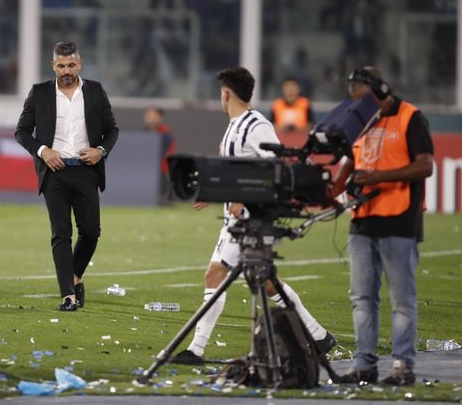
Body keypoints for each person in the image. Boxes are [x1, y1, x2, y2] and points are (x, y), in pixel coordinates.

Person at [171, 67, 336, 365]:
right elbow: (236, 169)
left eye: (221, 93)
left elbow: (276, 168)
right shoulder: (236, 124)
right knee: (267, 283)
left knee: (218, 274)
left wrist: (243, 197)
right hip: (236, 219)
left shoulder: (255, 125)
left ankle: (196, 350)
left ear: (226, 93)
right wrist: (213, 192)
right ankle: (318, 334)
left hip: (250, 218)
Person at [332, 67, 434, 386]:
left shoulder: (410, 117)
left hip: (399, 219)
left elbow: (425, 165)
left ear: (382, 92)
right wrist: (329, 190)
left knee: (401, 299)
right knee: (362, 298)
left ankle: (403, 365)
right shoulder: (359, 122)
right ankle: (364, 365)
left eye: (363, 100)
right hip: (362, 221)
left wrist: (378, 178)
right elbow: (349, 163)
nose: (358, 108)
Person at [15, 41, 119, 312]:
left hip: (86, 170)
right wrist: (42, 151)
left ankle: (74, 276)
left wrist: (100, 151)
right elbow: (22, 132)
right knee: (61, 234)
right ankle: (68, 295)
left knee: (91, 232)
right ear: (53, 66)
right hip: (55, 172)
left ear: (80, 64)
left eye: (71, 64)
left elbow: (112, 130)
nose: (66, 70)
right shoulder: (39, 93)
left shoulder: (95, 91)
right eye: (61, 65)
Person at [143, 107, 176, 201]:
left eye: (153, 116)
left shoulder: (165, 134)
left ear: (160, 118)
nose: (150, 118)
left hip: (161, 169)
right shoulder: (143, 133)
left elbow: (163, 153)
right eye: (148, 115)